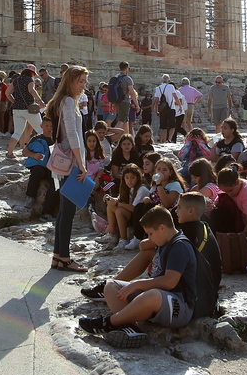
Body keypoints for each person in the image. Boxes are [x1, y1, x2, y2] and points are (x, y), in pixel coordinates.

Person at [79, 204, 199, 345]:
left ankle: (108, 323)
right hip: (161, 299)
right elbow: (144, 246)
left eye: (150, 234)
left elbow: (170, 282)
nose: (150, 238)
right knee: (111, 286)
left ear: (162, 227)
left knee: (151, 294)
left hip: (180, 307)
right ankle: (129, 328)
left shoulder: (180, 246)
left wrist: (138, 284)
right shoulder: (165, 239)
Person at [47, 66, 90, 272]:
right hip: (72, 162)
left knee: (64, 211)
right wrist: (81, 165)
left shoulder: (61, 101)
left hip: (65, 159)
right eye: (80, 81)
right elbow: (72, 134)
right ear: (70, 81)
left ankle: (58, 256)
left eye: (84, 81)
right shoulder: (69, 101)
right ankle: (64, 257)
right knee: (68, 211)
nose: (83, 85)